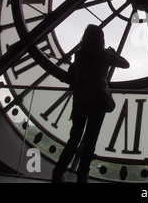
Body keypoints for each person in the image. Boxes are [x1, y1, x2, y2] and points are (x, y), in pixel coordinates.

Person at [52, 24, 129, 183]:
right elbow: (125, 64)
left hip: (80, 100)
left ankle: (58, 172)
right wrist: (113, 53)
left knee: (74, 139)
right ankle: (82, 176)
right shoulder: (105, 55)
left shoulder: (80, 55)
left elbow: (72, 75)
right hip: (98, 100)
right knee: (90, 140)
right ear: (101, 39)